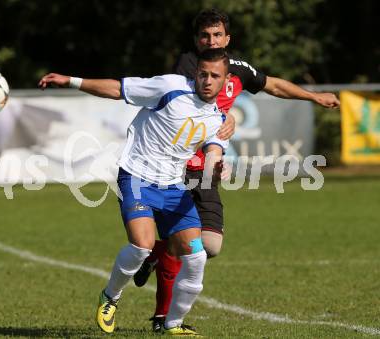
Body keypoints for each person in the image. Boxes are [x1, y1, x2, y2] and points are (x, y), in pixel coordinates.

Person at [133, 8, 341, 333]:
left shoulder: (238, 69)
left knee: (209, 247)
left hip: (209, 169)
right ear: (196, 40)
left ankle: (156, 254)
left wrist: (313, 97)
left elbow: (273, 85)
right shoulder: (190, 67)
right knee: (187, 243)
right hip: (178, 167)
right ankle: (163, 318)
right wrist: (223, 119)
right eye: (204, 35)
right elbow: (193, 106)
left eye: (217, 35)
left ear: (227, 39)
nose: (210, 40)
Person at [39, 48, 233, 336]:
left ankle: (173, 324)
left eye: (214, 76)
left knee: (197, 257)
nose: (206, 80)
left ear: (225, 80)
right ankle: (110, 297)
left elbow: (214, 149)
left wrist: (217, 167)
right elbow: (119, 88)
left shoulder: (218, 118)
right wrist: (71, 80)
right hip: (137, 177)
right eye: (202, 73)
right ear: (196, 73)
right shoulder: (170, 87)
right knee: (142, 245)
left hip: (173, 186)